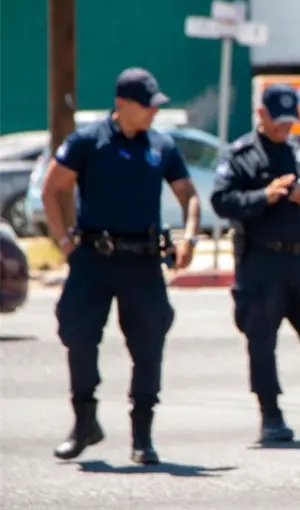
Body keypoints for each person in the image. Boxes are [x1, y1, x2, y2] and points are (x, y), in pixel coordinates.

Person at [41, 67, 201, 465]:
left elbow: (189, 195)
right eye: (147, 106)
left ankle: (142, 437)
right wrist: (64, 243)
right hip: (93, 259)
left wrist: (191, 237)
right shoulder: (88, 141)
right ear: (122, 104)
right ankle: (84, 423)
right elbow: (51, 189)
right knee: (78, 336)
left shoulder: (161, 145)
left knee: (148, 346)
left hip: (144, 261)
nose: (153, 113)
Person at [210, 83, 300, 444]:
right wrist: (264, 196)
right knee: (260, 340)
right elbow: (222, 199)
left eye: (290, 121)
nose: (284, 128)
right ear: (261, 115)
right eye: (278, 121)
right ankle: (270, 415)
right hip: (262, 262)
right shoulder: (241, 154)